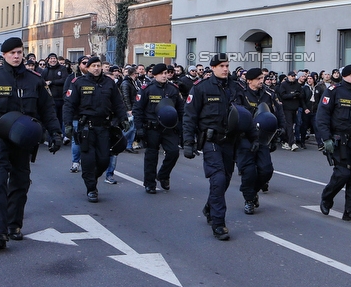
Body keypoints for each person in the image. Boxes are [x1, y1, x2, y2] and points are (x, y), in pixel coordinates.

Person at [0, 37, 63, 249]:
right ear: (4, 55)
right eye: (12, 53)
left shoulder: (35, 79)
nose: (16, 56)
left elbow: (48, 110)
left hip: (23, 140)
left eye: (19, 52)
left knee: (20, 182)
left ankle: (13, 225)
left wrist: (55, 133)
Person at [182, 53, 244, 241]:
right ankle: (219, 223)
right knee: (217, 179)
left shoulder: (235, 87)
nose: (225, 69)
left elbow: (245, 114)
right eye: (221, 66)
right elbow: (189, 116)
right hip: (211, 141)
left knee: (224, 180)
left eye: (227, 65)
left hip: (230, 141)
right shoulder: (201, 88)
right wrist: (188, 143)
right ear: (213, 68)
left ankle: (210, 207)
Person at [62, 55, 128, 203]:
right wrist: (67, 124)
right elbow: (69, 105)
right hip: (86, 128)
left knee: (104, 159)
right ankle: (91, 189)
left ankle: (91, 177)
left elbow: (118, 103)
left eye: (98, 66)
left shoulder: (109, 83)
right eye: (93, 66)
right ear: (88, 68)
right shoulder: (78, 83)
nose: (96, 68)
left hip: (104, 127)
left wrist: (123, 119)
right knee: (88, 160)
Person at [315, 65, 351, 223]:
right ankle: (327, 197)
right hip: (339, 140)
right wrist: (326, 138)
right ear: (344, 76)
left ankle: (350, 210)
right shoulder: (334, 91)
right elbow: (322, 115)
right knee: (342, 174)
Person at [132, 63, 185, 194]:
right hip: (152, 128)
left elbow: (181, 109)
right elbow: (137, 110)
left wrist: (181, 127)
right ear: (155, 75)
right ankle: (149, 183)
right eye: (161, 74)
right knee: (151, 156)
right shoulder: (147, 89)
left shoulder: (173, 89)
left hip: (169, 128)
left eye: (166, 73)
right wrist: (139, 128)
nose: (164, 76)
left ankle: (163, 175)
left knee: (173, 152)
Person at [234, 68, 280, 214]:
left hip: (262, 138)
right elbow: (237, 114)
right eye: (259, 79)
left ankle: (253, 192)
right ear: (249, 80)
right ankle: (249, 199)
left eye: (263, 78)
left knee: (266, 170)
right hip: (245, 138)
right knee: (248, 172)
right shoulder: (241, 94)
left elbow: (278, 112)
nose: (262, 81)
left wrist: (281, 130)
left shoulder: (268, 94)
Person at [277, 71, 304, 150]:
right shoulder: (284, 84)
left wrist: (298, 94)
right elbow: (282, 95)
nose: (293, 77)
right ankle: (291, 143)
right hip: (287, 108)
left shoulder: (297, 84)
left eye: (294, 76)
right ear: (288, 76)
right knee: (289, 125)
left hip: (295, 108)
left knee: (296, 124)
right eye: (291, 76)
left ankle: (287, 140)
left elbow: (302, 94)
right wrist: (292, 95)